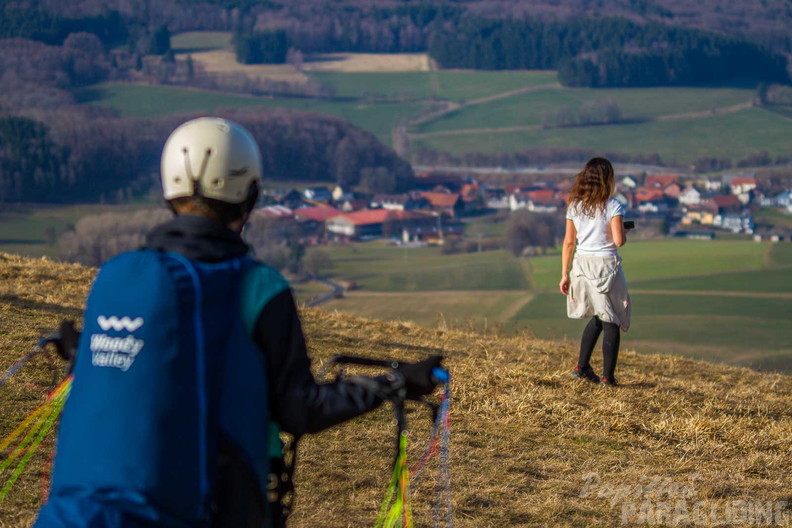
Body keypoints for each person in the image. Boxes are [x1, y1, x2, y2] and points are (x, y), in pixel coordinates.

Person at [35, 117, 443, 527]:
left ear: (168, 192)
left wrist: (81, 355)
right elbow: (301, 410)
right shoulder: (257, 286)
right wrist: (395, 383)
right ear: (250, 194)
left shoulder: (115, 275)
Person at [559, 157, 630, 386]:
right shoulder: (613, 206)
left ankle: (582, 368)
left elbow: (569, 242)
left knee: (599, 317)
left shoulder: (575, 206)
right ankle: (608, 378)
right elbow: (618, 241)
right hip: (605, 267)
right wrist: (624, 231)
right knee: (611, 319)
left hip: (581, 265)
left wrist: (565, 274)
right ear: (607, 179)